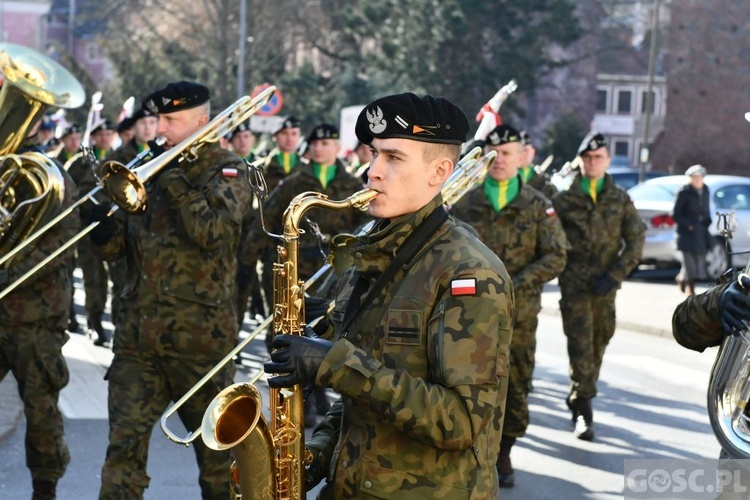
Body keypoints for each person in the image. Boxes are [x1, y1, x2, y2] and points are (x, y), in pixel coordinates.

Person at [264, 92, 514, 498]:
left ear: (440, 171)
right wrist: (315, 455)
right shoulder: (375, 252)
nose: (373, 171)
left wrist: (333, 363)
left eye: (394, 158)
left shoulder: (468, 272)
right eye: (374, 154)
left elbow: (461, 422)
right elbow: (360, 401)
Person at [91, 81, 251, 499]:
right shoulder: (146, 166)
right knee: (121, 455)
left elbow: (212, 232)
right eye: (158, 118)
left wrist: (174, 174)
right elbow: (119, 253)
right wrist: (102, 232)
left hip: (200, 343)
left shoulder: (228, 170)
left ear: (203, 122)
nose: (159, 128)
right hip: (137, 340)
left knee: (219, 462)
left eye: (171, 120)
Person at [451, 123, 567, 487]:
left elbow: (556, 254)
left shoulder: (537, 205)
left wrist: (517, 284)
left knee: (515, 382)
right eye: (493, 153)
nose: (499, 160)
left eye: (506, 153)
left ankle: (504, 451)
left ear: (521, 157)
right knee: (462, 382)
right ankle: (469, 450)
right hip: (466, 316)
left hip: (518, 315)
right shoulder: (465, 201)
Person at [0, 117, 80, 499]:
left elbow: (59, 247)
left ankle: (43, 490)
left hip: (37, 317)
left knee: (41, 409)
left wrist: (6, 273)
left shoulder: (52, 176)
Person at [552, 131, 645, 440]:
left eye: (598, 158)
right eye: (587, 157)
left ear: (607, 161)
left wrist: (616, 274)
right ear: (580, 161)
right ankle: (583, 409)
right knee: (580, 345)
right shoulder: (564, 200)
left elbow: (635, 240)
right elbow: (552, 241)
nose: (592, 162)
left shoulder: (620, 198)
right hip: (575, 285)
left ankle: (580, 394)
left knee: (599, 343)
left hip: (606, 286)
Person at [100, 105, 159, 341]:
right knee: (122, 287)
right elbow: (103, 192)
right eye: (143, 123)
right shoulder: (118, 158)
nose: (148, 127)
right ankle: (120, 332)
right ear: (133, 127)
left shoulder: (169, 156)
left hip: (153, 239)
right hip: (123, 235)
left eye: (153, 122)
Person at [65, 124, 111, 346]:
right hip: (86, 228)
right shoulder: (82, 162)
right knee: (91, 277)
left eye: (108, 134)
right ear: (93, 137)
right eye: (100, 134)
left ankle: (102, 318)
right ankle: (93, 323)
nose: (105, 138)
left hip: (113, 228)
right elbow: (71, 194)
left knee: (104, 281)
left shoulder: (118, 159)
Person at [673, 164, 711, 295]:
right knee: (689, 263)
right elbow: (676, 214)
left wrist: (707, 221)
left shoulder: (705, 190)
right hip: (686, 233)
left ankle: (681, 278)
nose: (697, 180)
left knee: (697, 261)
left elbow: (706, 209)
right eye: (695, 177)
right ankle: (691, 289)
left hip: (699, 232)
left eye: (700, 177)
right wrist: (688, 225)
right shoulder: (684, 192)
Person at [262, 115, 303, 190]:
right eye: (284, 133)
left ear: (299, 136)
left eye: (294, 134)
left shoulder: (306, 169)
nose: (289, 138)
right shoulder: (259, 168)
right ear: (275, 136)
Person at [519, 130, 557, 199]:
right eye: (519, 151)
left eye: (526, 150)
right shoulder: (502, 175)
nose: (522, 154)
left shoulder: (543, 180)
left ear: (533, 152)